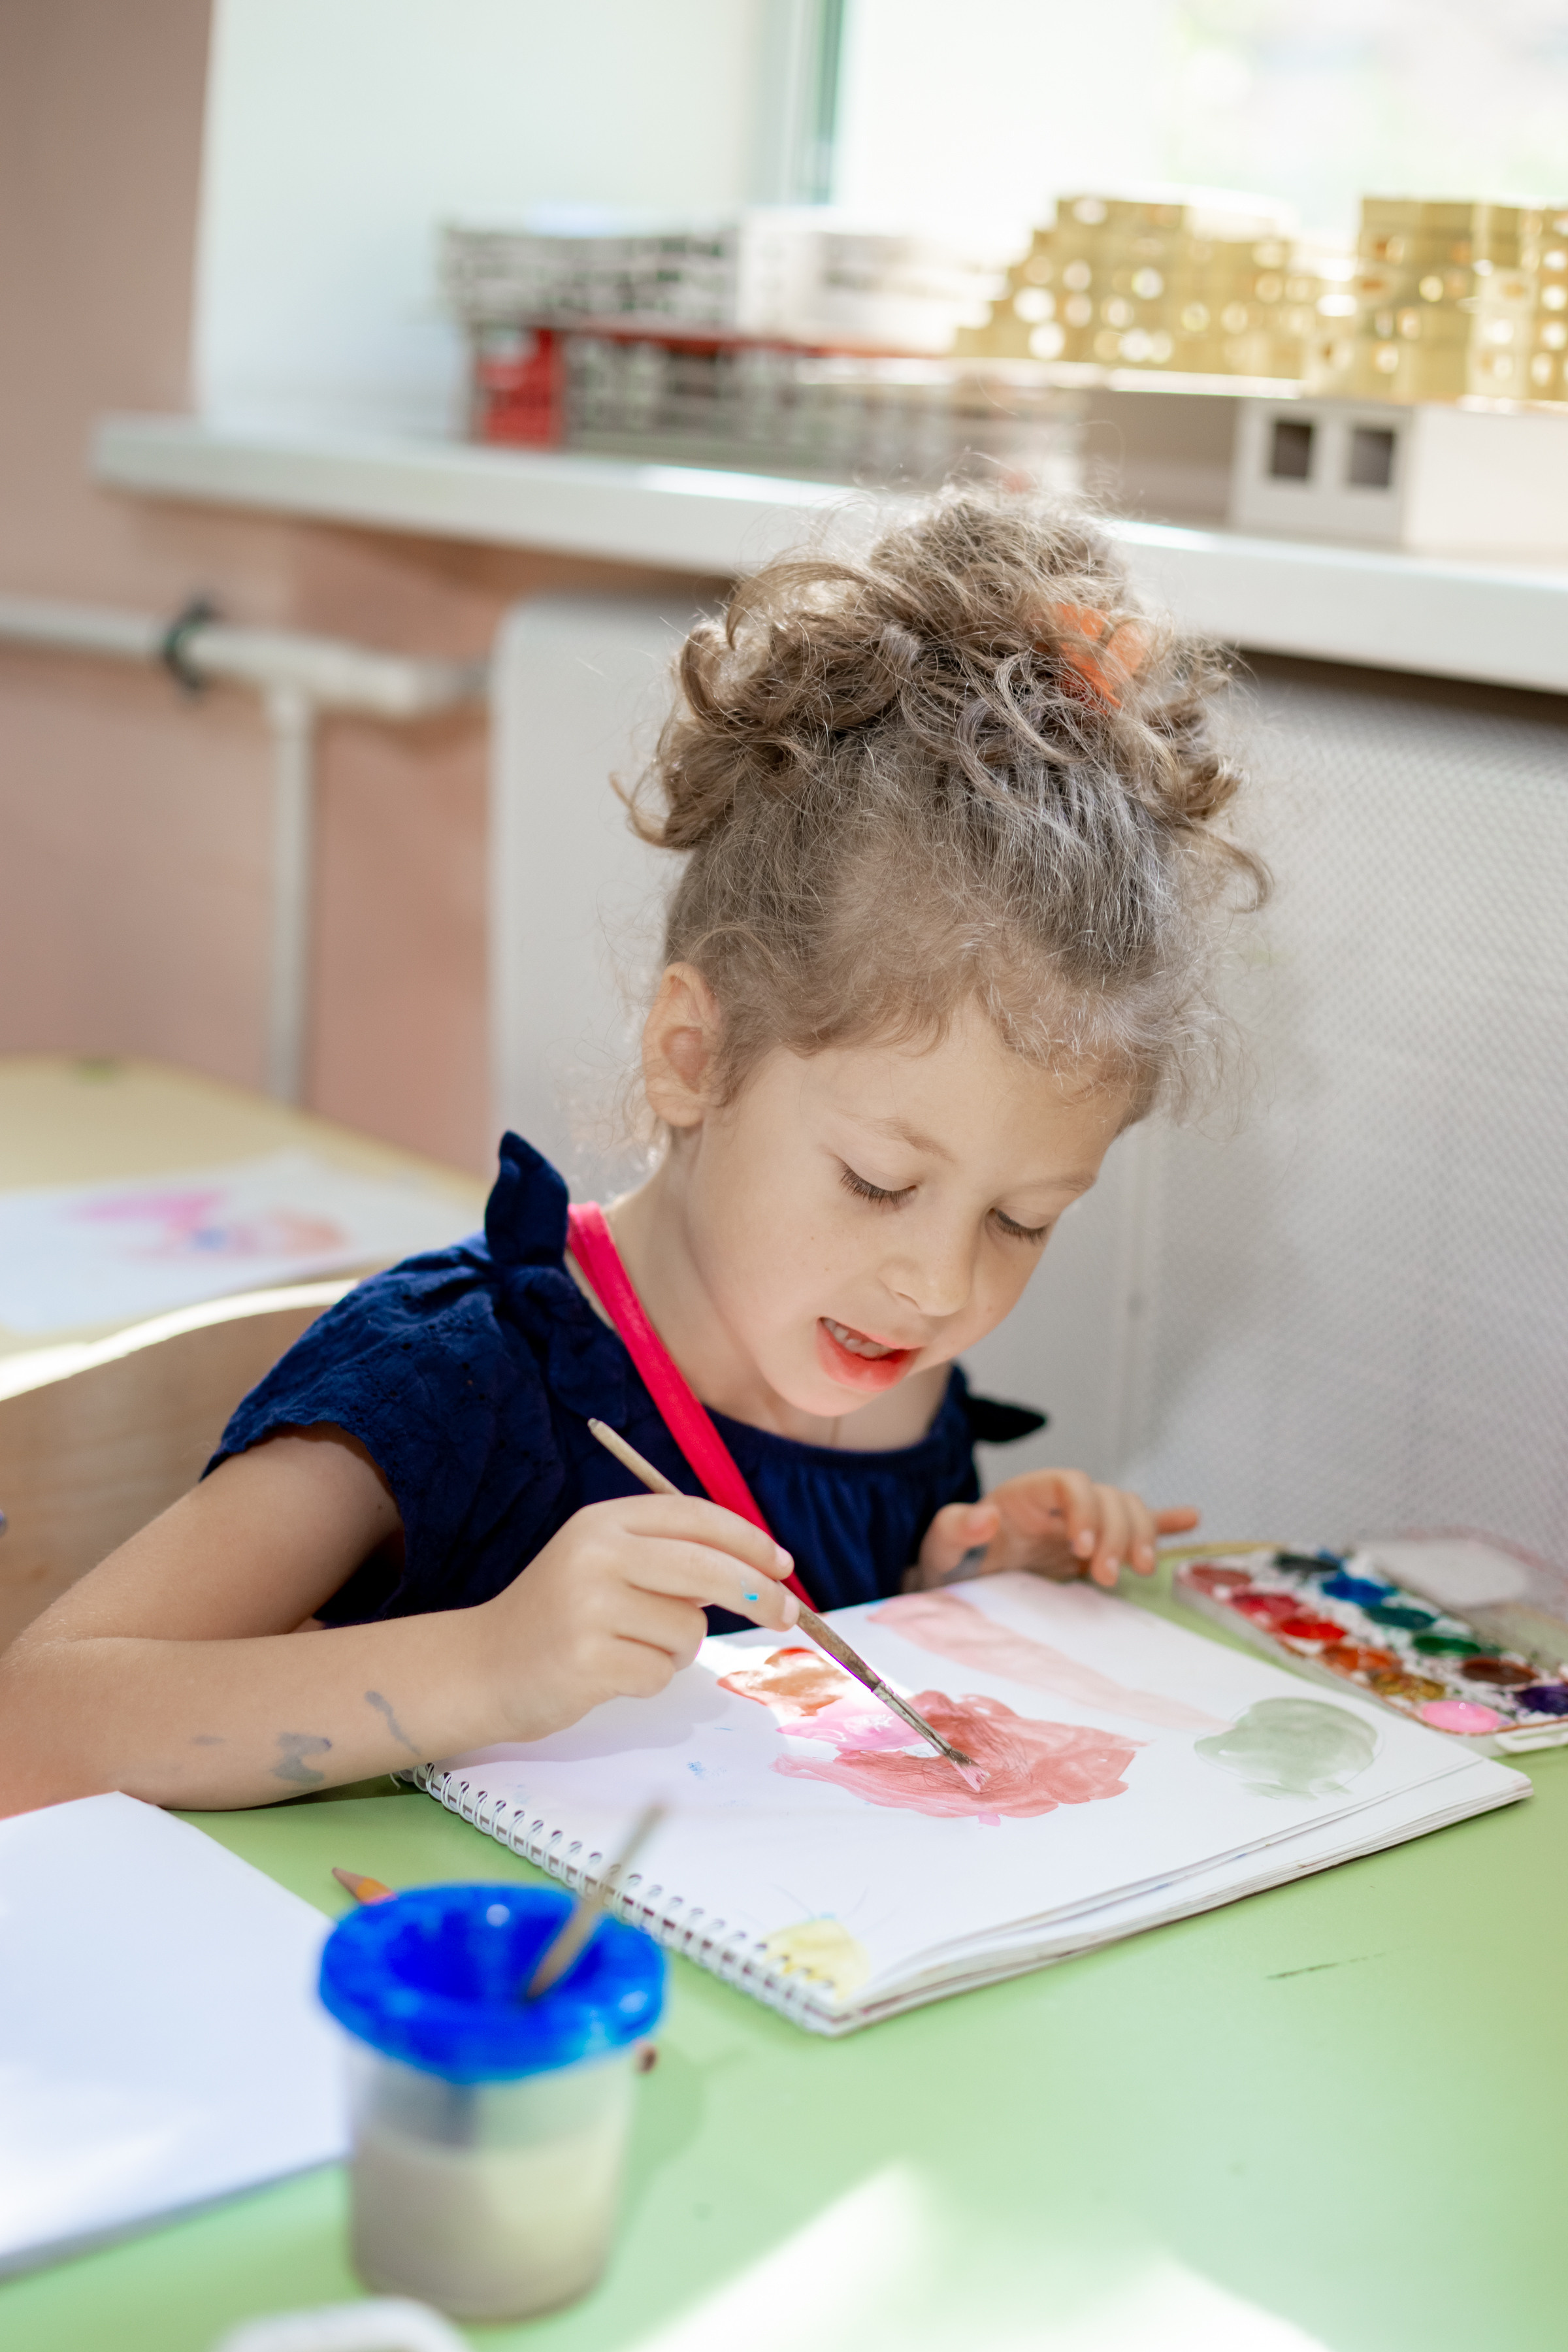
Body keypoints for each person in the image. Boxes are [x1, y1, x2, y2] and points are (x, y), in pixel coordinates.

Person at [0, 495, 1266, 1814]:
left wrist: (959, 1592)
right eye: (880, 1183)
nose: (944, 1286)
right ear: (694, 1058)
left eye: (1025, 1218)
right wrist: (493, 1663)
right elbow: (29, 1732)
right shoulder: (462, 1381)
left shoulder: (891, 1386)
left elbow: (793, 1739)